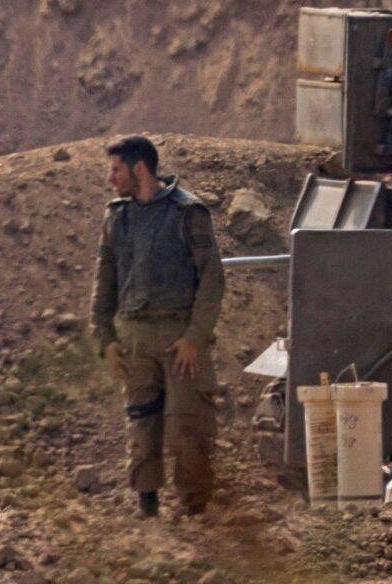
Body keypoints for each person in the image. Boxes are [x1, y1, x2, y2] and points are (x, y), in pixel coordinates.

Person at [89, 136, 224, 519]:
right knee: (140, 425)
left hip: (179, 339)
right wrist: (105, 341)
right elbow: (104, 284)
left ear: (139, 168)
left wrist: (194, 338)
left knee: (187, 426)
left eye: (116, 170)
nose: (110, 179)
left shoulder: (188, 213)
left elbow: (212, 281)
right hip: (134, 339)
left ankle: (195, 507)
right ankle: (146, 503)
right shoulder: (117, 217)